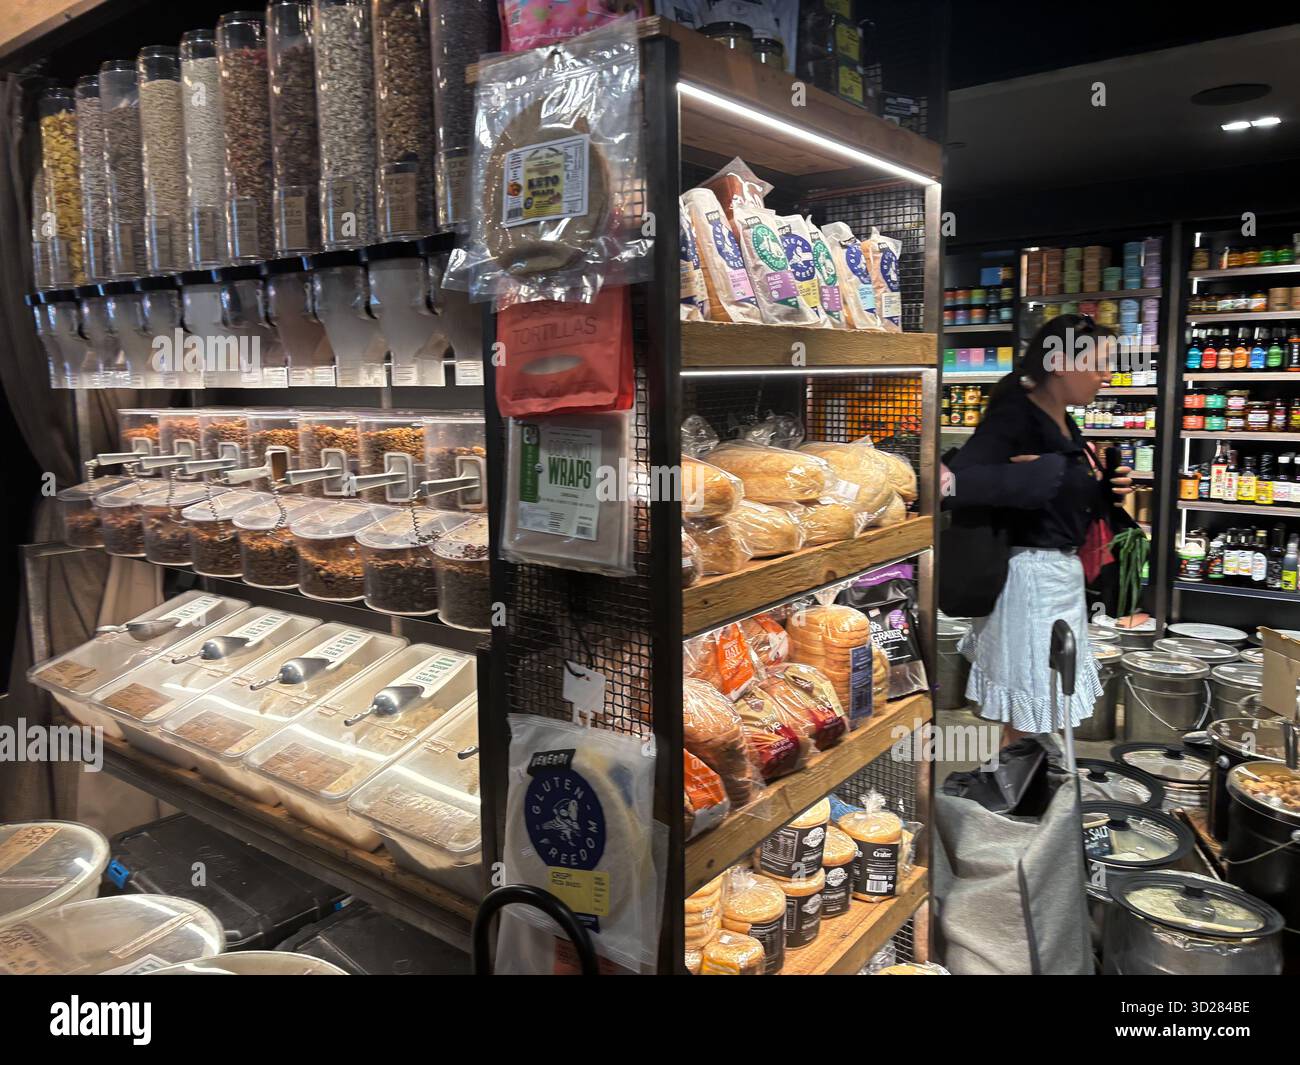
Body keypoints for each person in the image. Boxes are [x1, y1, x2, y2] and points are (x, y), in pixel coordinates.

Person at [944, 314, 1133, 743]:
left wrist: (1105, 490)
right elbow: (946, 484)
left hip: (1059, 580)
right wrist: (1023, 480)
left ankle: (1032, 789)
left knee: (1051, 697)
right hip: (1028, 582)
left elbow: (1062, 497)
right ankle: (1018, 796)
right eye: (1100, 364)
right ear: (1063, 362)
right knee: (1031, 705)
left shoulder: (1063, 419)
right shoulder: (1016, 418)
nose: (1106, 375)